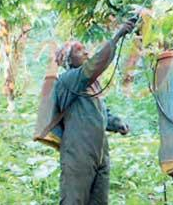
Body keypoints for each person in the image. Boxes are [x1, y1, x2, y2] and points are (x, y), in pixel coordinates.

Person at [48, 17, 137, 205]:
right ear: (68, 59)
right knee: (74, 200)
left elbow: (99, 112)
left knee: (99, 201)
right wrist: (117, 36)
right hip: (78, 152)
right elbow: (95, 65)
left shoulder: (91, 84)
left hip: (100, 152)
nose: (86, 52)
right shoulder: (68, 80)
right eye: (80, 50)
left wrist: (116, 123)